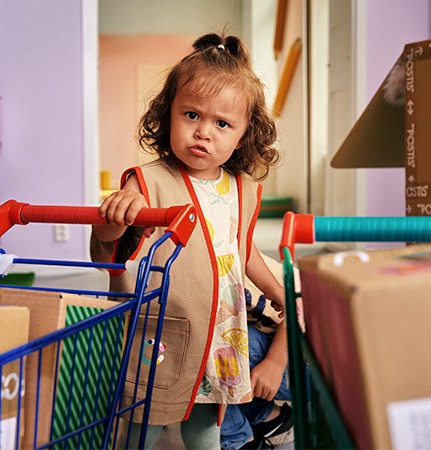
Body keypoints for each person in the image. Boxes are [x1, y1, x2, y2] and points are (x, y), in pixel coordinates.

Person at [90, 31, 286, 449]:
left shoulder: (243, 188)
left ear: (243, 133)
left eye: (222, 123)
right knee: (143, 417)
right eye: (191, 115)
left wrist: (277, 291)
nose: (203, 133)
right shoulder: (146, 181)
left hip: (220, 328)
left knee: (207, 418)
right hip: (161, 327)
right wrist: (117, 213)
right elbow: (110, 243)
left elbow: (243, 250)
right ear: (168, 113)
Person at [221, 253, 295, 450]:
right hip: (271, 344)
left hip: (315, 364)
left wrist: (275, 362)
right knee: (214, 348)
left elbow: (302, 309)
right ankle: (270, 420)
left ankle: (238, 441)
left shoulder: (232, 257)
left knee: (219, 353)